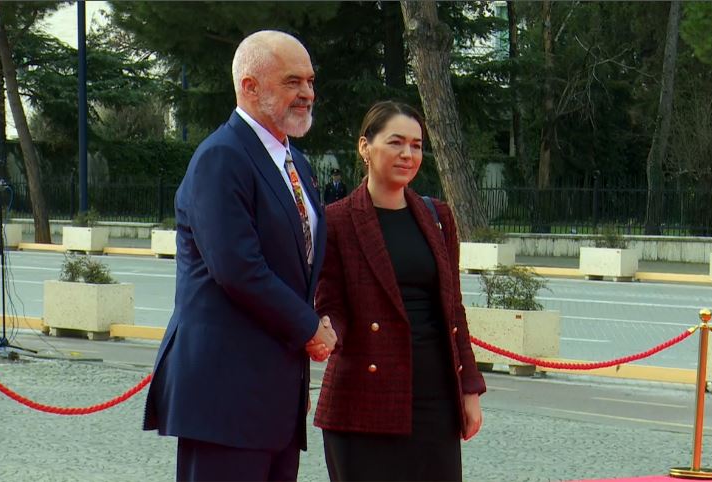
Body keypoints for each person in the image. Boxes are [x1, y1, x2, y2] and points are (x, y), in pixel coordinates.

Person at [142, 30, 337, 482]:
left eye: (310, 81)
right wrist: (309, 328)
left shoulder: (296, 163)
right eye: (292, 81)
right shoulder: (221, 157)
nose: (307, 93)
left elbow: (300, 262)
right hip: (224, 396)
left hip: (275, 398)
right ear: (249, 86)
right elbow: (237, 269)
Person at [314, 101, 486, 481]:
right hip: (363, 401)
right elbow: (331, 303)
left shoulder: (437, 216)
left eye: (416, 145)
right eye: (396, 142)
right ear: (365, 146)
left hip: (435, 398)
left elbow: (454, 309)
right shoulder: (337, 220)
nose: (408, 154)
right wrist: (325, 331)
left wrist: (469, 389)